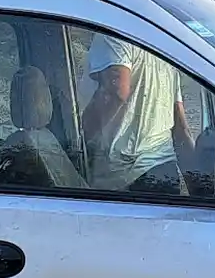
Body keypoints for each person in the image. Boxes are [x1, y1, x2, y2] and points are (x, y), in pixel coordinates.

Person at [80, 32, 196, 194]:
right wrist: (200, 189)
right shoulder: (162, 45)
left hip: (125, 176)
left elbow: (116, 90)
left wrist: (79, 140)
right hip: (165, 173)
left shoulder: (110, 31)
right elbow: (181, 127)